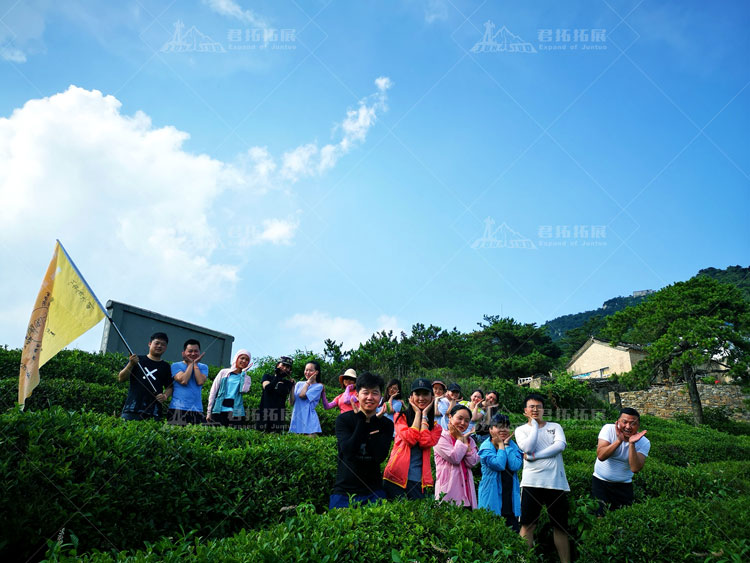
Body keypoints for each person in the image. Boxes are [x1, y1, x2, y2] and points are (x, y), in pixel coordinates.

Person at [515, 393, 571, 563]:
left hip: (556, 483)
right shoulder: (521, 430)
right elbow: (528, 446)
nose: (535, 409)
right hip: (532, 483)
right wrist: (533, 426)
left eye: (538, 406)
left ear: (543, 409)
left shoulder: (555, 426)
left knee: (560, 527)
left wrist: (534, 457)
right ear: (525, 410)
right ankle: (524, 560)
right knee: (527, 525)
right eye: (531, 406)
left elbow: (560, 446)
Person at [329, 371, 394, 508]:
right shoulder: (343, 420)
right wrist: (361, 420)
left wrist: (373, 421)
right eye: (366, 393)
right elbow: (348, 451)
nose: (370, 397)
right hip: (344, 492)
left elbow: (379, 456)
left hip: (374, 491)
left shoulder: (387, 425)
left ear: (381, 397)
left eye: (375, 393)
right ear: (357, 395)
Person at [382, 378, 443, 499]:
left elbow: (425, 442)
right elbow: (410, 438)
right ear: (411, 397)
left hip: (418, 481)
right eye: (417, 394)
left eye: (425, 394)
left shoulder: (436, 428)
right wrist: (418, 414)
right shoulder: (400, 417)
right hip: (395, 477)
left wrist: (424, 415)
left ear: (432, 397)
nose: (421, 398)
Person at [592, 407, 650, 515]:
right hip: (600, 482)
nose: (628, 427)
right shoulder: (608, 429)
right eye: (625, 422)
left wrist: (631, 444)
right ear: (618, 422)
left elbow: (635, 468)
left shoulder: (644, 442)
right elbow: (601, 455)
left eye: (633, 423)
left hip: (624, 486)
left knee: (621, 518)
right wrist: (619, 440)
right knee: (600, 516)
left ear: (638, 426)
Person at [478, 413, 523, 532]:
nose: (503, 429)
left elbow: (515, 465)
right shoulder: (486, 446)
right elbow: (499, 464)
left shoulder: (512, 445)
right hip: (491, 497)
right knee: (492, 534)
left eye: (506, 426)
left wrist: (506, 445)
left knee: (512, 534)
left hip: (510, 499)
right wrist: (501, 446)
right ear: (491, 429)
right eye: (499, 426)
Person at [118, 332, 173, 421]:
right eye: (157, 343)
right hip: (131, 409)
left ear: (165, 348)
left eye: (163, 344)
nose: (159, 346)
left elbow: (170, 387)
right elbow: (121, 378)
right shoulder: (136, 360)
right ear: (149, 344)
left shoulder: (166, 366)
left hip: (154, 412)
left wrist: (165, 396)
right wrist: (131, 364)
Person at [434, 404, 480, 508]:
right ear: (450, 417)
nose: (463, 423)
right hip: (448, 493)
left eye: (467, 420)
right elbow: (455, 458)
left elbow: (472, 462)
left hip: (467, 494)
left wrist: (462, 439)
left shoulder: (470, 440)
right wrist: (460, 439)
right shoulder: (441, 437)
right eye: (460, 418)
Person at [206, 349, 252, 427]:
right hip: (219, 411)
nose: (244, 361)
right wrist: (209, 411)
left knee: (233, 436)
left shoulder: (247, 378)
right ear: (237, 358)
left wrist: (243, 374)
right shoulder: (224, 372)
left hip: (236, 413)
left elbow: (244, 390)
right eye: (242, 358)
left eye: (247, 360)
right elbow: (213, 391)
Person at [168, 338, 208, 425]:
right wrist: (191, 364)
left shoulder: (204, 367)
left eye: (196, 351)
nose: (193, 354)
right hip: (177, 409)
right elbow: (183, 380)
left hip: (197, 410)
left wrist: (195, 365)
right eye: (190, 351)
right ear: (184, 353)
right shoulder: (176, 365)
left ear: (199, 353)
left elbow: (200, 381)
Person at [257, 356, 295, 433]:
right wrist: (278, 377)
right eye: (283, 365)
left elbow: (291, 402)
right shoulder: (267, 377)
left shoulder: (288, 383)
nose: (284, 368)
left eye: (287, 367)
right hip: (263, 414)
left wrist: (293, 386)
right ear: (277, 365)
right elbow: (267, 388)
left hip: (279, 417)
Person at [289, 361, 325, 436]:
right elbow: (291, 403)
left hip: (310, 422)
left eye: (311, 370)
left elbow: (302, 395)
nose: (307, 372)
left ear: (316, 372)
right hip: (297, 421)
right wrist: (292, 387)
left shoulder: (318, 386)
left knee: (310, 446)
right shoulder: (299, 384)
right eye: (306, 370)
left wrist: (308, 382)